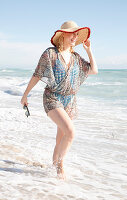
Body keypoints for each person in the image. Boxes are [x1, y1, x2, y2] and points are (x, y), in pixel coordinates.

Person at [21, 21, 98, 180]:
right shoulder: (50, 54)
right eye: (72, 33)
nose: (75, 37)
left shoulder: (76, 58)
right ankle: (60, 167)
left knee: (61, 138)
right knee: (70, 132)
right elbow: (37, 74)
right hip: (52, 98)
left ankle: (52, 169)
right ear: (63, 35)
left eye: (77, 34)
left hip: (69, 100)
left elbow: (94, 70)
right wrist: (25, 95)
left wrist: (89, 50)